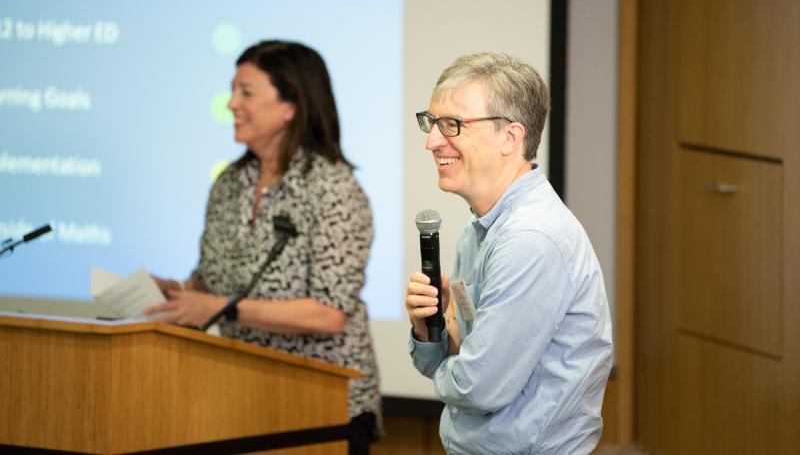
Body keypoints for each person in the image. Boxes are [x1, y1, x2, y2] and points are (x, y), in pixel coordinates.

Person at [145, 40, 381, 454]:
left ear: (290, 106)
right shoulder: (229, 184)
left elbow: (329, 314)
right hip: (237, 397)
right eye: (232, 90)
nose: (231, 103)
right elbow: (211, 283)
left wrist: (223, 308)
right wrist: (180, 293)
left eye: (246, 92)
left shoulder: (334, 190)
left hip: (321, 407)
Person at [405, 52, 613, 454]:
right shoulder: (477, 231)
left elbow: (479, 387)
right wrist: (426, 331)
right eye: (431, 124)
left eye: (453, 125)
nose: (432, 141)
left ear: (510, 137)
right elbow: (461, 360)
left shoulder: (530, 239)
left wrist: (447, 365)